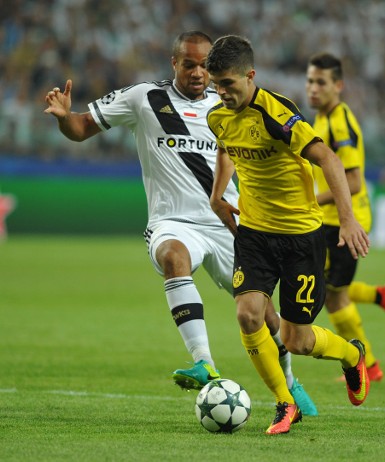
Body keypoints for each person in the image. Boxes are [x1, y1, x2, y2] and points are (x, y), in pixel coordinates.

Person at [43, 30, 317, 415]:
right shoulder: (143, 98)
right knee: (174, 256)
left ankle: (290, 385)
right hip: (172, 220)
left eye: (205, 66)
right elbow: (81, 128)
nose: (198, 73)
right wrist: (63, 117)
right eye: (189, 64)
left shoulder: (229, 104)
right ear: (174, 63)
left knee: (265, 315)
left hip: (229, 221)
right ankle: (204, 361)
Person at [205, 35, 371, 435]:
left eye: (229, 84)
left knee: (297, 341)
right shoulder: (218, 116)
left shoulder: (277, 114)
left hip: (300, 237)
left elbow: (328, 158)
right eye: (216, 86)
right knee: (248, 315)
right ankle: (285, 402)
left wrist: (347, 220)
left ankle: (352, 354)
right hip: (254, 233)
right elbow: (226, 147)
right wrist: (217, 196)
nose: (222, 93)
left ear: (250, 76)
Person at [305, 52, 385, 383]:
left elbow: (352, 181)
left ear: (339, 85)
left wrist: (310, 198)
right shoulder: (321, 118)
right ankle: (382, 296)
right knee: (331, 290)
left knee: (332, 295)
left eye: (321, 82)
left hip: (343, 221)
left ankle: (369, 364)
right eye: (310, 81)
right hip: (328, 218)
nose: (313, 89)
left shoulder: (339, 121)